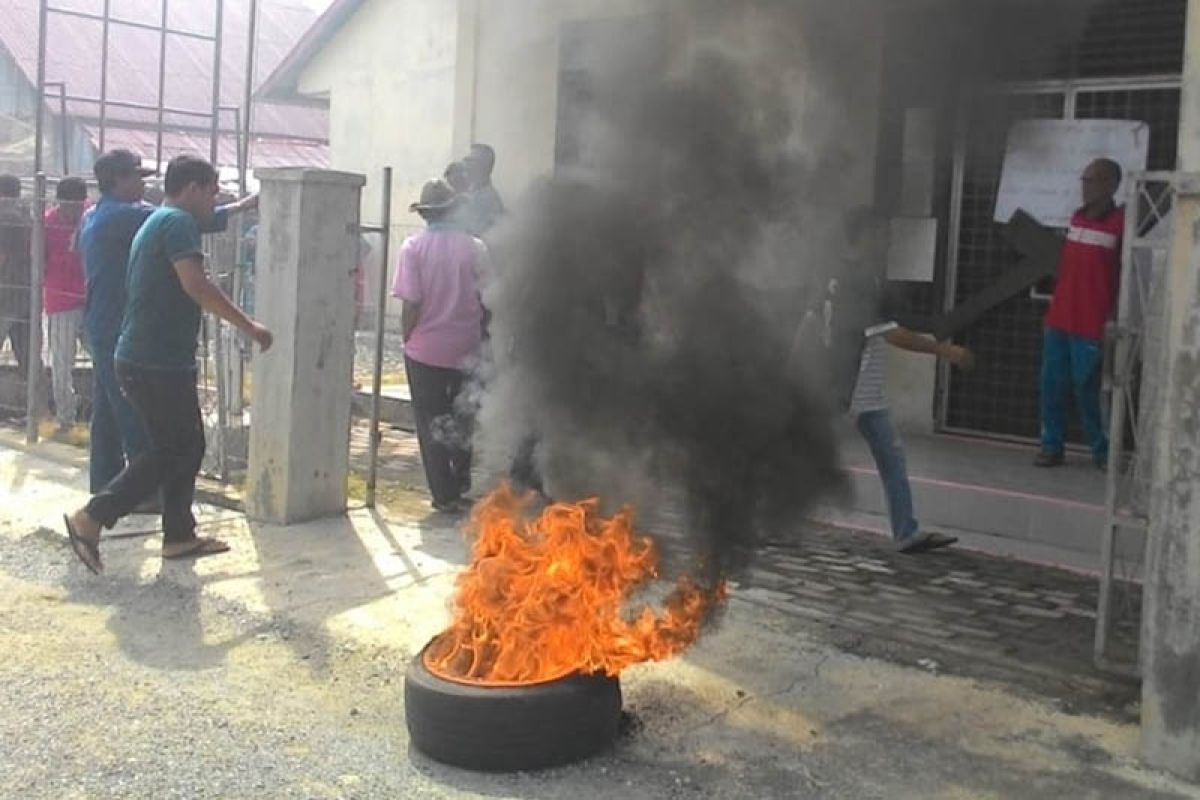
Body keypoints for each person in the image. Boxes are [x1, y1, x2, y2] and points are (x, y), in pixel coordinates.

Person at [63, 155, 270, 573]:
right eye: (212, 191)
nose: (215, 199)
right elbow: (195, 283)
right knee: (169, 450)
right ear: (192, 188)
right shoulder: (174, 223)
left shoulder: (161, 219)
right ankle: (93, 517)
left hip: (155, 357)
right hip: (152, 359)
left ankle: (178, 535)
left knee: (185, 446)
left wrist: (241, 206)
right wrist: (249, 326)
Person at [393, 178, 486, 513]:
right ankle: (461, 483)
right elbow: (487, 296)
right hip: (467, 348)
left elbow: (411, 304)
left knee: (431, 421)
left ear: (424, 215)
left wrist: (407, 338)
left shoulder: (412, 249)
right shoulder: (475, 247)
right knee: (464, 416)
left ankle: (444, 494)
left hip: (425, 351)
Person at [1035, 158, 1125, 470]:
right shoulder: (1076, 219)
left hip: (1091, 324)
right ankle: (1051, 446)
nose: (1086, 187)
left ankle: (1102, 453)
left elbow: (1122, 277)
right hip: (1060, 320)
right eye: (1084, 180)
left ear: (1111, 185)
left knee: (1089, 391)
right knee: (1052, 385)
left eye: (1093, 181)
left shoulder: (1120, 224)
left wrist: (1111, 320)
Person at [78, 150, 158, 492]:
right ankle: (137, 490)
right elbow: (176, 217)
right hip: (116, 326)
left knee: (109, 411)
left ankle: (106, 481)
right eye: (136, 176)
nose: (143, 183)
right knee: (133, 408)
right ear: (116, 180)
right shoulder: (121, 217)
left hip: (102, 321)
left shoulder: (95, 214)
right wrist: (238, 207)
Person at [44, 177, 89, 430]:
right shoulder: (48, 223)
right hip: (60, 300)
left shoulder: (90, 217)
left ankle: (105, 407)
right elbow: (38, 258)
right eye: (68, 206)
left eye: (77, 205)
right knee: (61, 362)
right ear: (59, 202)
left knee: (104, 353)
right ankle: (66, 416)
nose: (73, 211)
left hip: (91, 297)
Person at [0, 174, 33, 374]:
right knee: (29, 360)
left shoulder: (4, 218)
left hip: (4, 294)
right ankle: (37, 403)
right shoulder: (27, 216)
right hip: (26, 294)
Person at [461, 144, 505, 237]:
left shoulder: (489, 201)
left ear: (483, 166)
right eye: (466, 160)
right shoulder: (469, 193)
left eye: (470, 160)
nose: (465, 164)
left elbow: (475, 236)